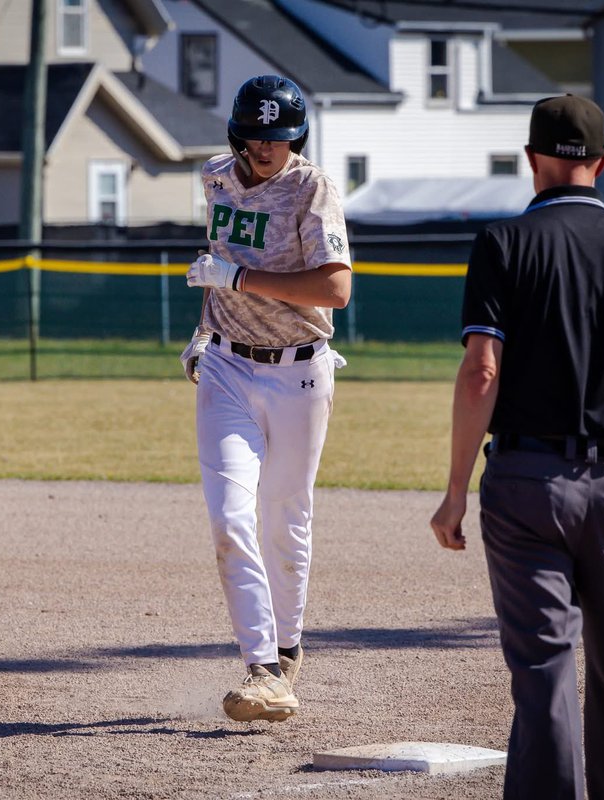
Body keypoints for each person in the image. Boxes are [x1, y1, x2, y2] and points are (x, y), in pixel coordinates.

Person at [429, 94, 604, 798]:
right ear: (602, 162)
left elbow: (481, 371)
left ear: (533, 160)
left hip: (528, 482)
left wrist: (455, 490)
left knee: (543, 673)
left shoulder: (504, 245)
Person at [180, 74, 351, 723]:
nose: (265, 147)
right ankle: (261, 666)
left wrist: (240, 278)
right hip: (226, 366)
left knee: (285, 516)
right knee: (229, 518)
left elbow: (336, 290)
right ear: (236, 132)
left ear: (295, 137)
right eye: (255, 134)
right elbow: (219, 260)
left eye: (278, 137)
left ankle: (286, 648)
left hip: (298, 372)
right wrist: (203, 329)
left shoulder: (312, 187)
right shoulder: (215, 178)